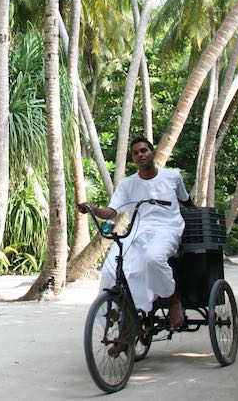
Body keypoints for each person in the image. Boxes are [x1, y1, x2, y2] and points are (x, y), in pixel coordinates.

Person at [78, 137, 192, 332]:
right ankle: (123, 322)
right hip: (138, 232)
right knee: (111, 269)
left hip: (167, 228)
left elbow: (186, 200)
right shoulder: (127, 184)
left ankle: (173, 301)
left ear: (153, 153)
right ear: (133, 158)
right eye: (136, 153)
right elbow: (111, 211)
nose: (140, 155)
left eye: (144, 150)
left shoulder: (172, 176)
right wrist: (93, 208)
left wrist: (199, 212)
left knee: (153, 258)